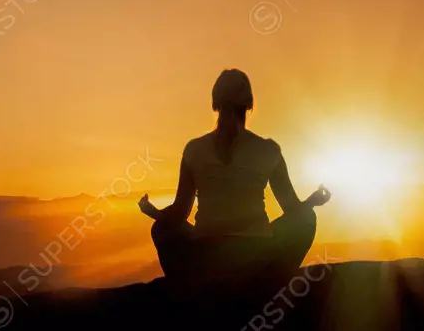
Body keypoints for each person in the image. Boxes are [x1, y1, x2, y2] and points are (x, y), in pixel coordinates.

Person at [138, 69, 331, 284]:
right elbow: (292, 209)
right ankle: (275, 282)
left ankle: (186, 288)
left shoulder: (194, 150)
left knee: (161, 229)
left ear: (215, 103)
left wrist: (153, 212)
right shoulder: (268, 150)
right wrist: (314, 201)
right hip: (256, 251)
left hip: (206, 253)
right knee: (307, 218)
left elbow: (180, 213)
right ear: (248, 105)